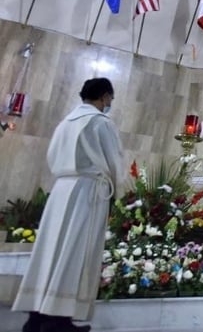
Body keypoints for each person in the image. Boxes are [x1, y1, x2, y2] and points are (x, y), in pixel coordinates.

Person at [13, 78, 125, 332]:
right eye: (110, 99)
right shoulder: (100, 122)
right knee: (75, 253)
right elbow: (114, 163)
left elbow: (52, 156)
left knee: (49, 254)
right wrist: (120, 196)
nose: (109, 104)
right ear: (105, 97)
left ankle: (36, 317)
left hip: (61, 190)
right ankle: (60, 320)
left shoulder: (65, 123)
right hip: (87, 193)